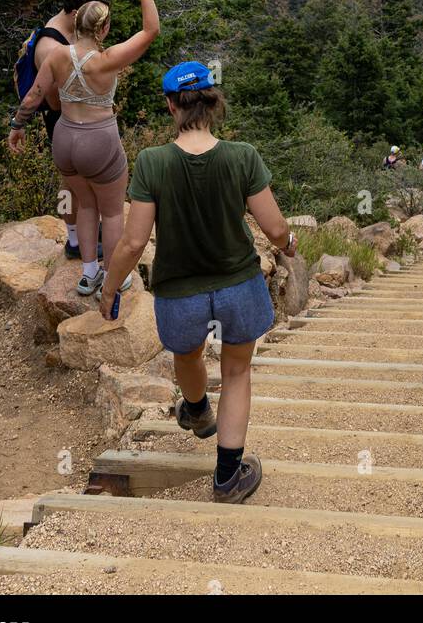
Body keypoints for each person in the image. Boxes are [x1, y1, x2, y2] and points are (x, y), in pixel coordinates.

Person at [99, 61, 297, 505]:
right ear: (214, 103)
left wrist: (110, 288)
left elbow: (132, 243)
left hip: (179, 290)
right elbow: (275, 226)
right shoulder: (242, 155)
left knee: (186, 354)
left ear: (171, 106)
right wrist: (288, 244)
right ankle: (228, 478)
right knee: (237, 371)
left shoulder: (152, 162)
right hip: (239, 285)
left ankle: (197, 407)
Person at [10, 0, 159, 295]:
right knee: (112, 209)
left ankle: (89, 273)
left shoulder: (56, 55)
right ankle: (113, 275)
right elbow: (151, 30)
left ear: (76, 22)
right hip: (98, 138)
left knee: (85, 204)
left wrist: (17, 125)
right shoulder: (108, 59)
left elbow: (35, 95)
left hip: (64, 138)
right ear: (104, 27)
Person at [9, 0, 110, 258]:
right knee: (72, 184)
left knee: (84, 182)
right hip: (64, 121)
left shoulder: (70, 27)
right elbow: (51, 99)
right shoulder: (51, 46)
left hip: (78, 118)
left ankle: (88, 228)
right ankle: (74, 241)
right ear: (77, 11)